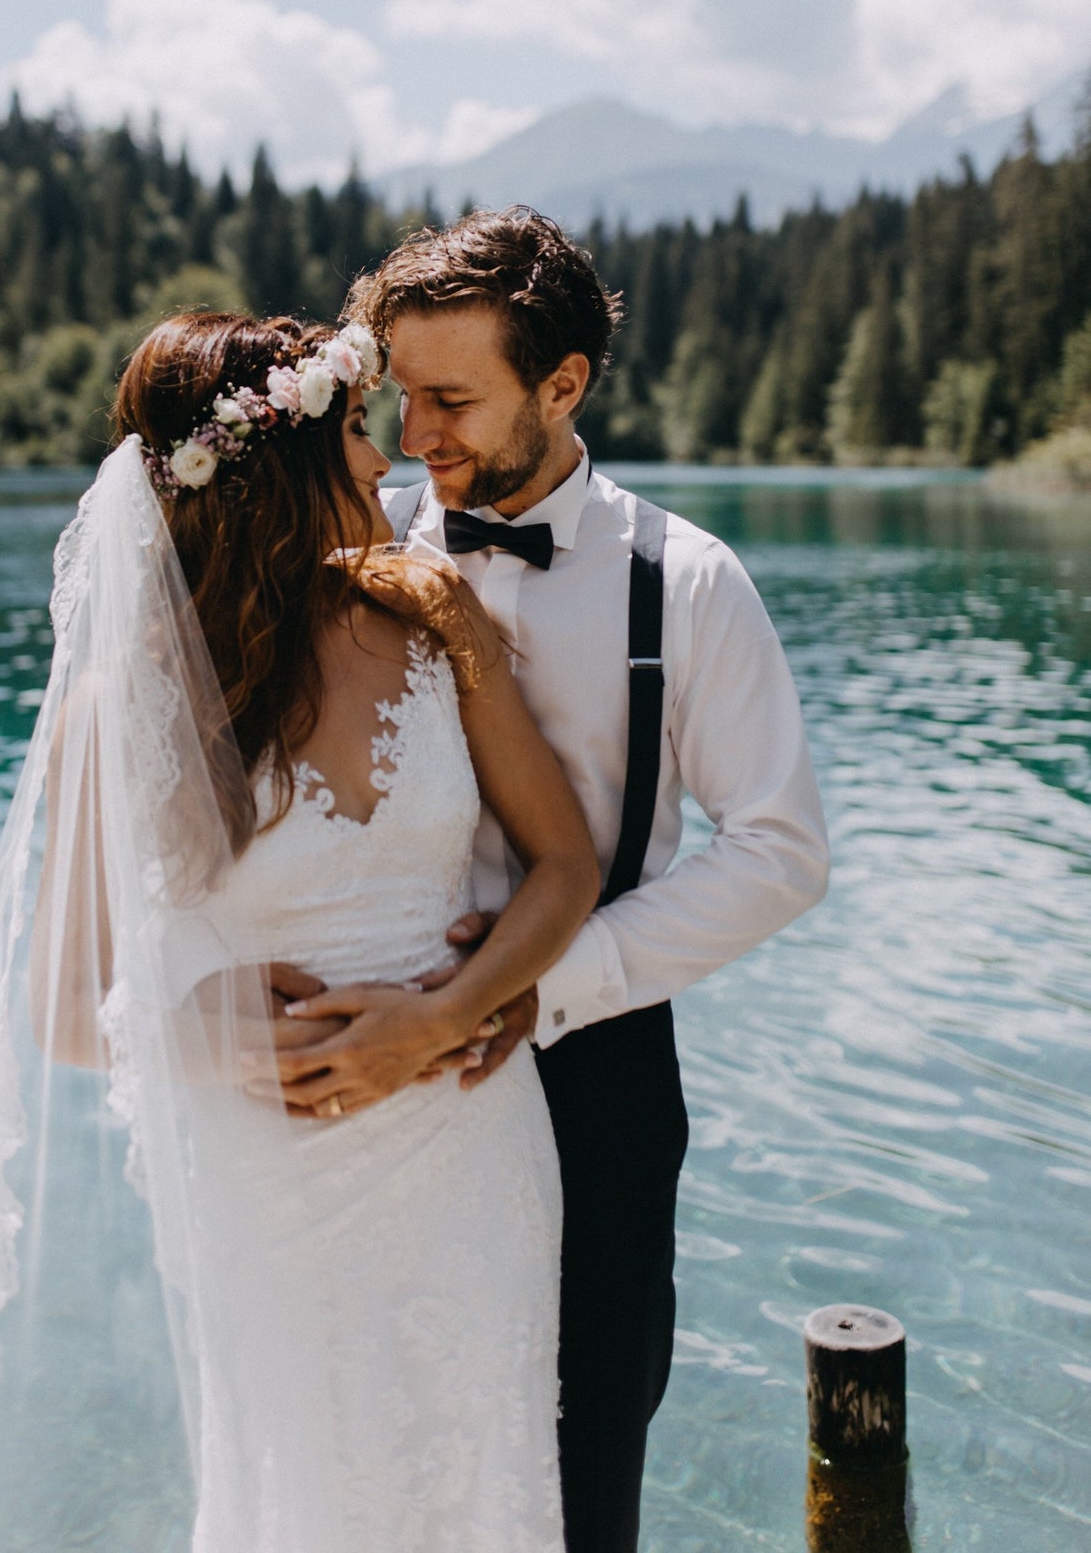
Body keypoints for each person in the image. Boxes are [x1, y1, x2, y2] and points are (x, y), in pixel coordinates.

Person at [0, 309, 600, 1553]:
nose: (382, 463)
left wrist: (444, 1015)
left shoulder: (429, 624)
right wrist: (192, 1023)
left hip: (469, 1153)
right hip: (272, 1185)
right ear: (273, 472)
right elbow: (64, 1011)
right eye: (353, 430)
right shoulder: (121, 706)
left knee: (484, 1475)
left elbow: (565, 863)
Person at [274, 208, 831, 1553]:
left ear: (563, 384)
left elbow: (780, 850)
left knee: (583, 1482)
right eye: (402, 399)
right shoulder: (352, 548)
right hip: (373, 1084)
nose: (417, 440)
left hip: (597, 1082)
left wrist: (547, 985)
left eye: (454, 401)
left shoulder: (686, 585)